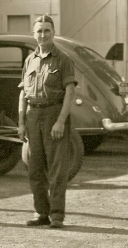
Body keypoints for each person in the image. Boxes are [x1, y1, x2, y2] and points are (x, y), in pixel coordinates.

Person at [16, 16, 81, 228]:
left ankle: (56, 215)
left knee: (57, 170)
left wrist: (61, 121)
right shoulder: (29, 60)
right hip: (33, 117)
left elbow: (70, 92)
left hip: (53, 115)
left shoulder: (62, 59)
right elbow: (23, 93)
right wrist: (21, 123)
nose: (43, 35)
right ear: (34, 34)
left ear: (53, 33)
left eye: (47, 30)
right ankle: (41, 213)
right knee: (34, 169)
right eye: (39, 31)